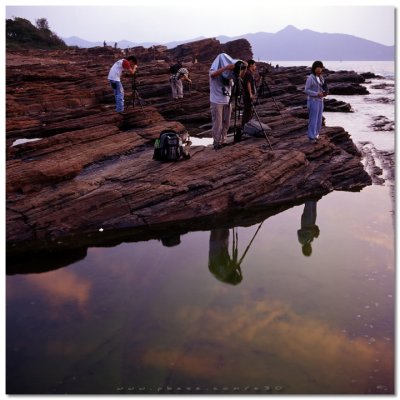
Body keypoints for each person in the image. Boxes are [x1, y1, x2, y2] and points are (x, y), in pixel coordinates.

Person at [209, 53, 247, 150]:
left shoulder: (229, 75)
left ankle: (223, 140)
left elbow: (239, 77)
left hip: (227, 101)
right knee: (217, 122)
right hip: (217, 101)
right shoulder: (214, 70)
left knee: (226, 122)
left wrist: (244, 68)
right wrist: (226, 67)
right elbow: (213, 75)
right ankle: (216, 142)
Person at [305, 60, 328, 143]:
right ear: (314, 68)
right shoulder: (310, 78)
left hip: (320, 101)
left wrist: (325, 93)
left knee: (319, 120)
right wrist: (316, 94)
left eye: (320, 68)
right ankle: (311, 137)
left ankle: (316, 135)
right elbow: (306, 90)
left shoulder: (321, 78)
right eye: (317, 68)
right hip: (313, 101)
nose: (319, 70)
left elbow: (324, 88)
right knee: (313, 119)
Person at [241, 59, 257, 128]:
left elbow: (251, 83)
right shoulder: (248, 73)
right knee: (248, 112)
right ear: (251, 65)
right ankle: (246, 126)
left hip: (246, 95)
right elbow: (248, 84)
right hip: (247, 96)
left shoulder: (248, 73)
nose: (255, 67)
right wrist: (250, 94)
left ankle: (245, 126)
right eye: (254, 65)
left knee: (247, 111)